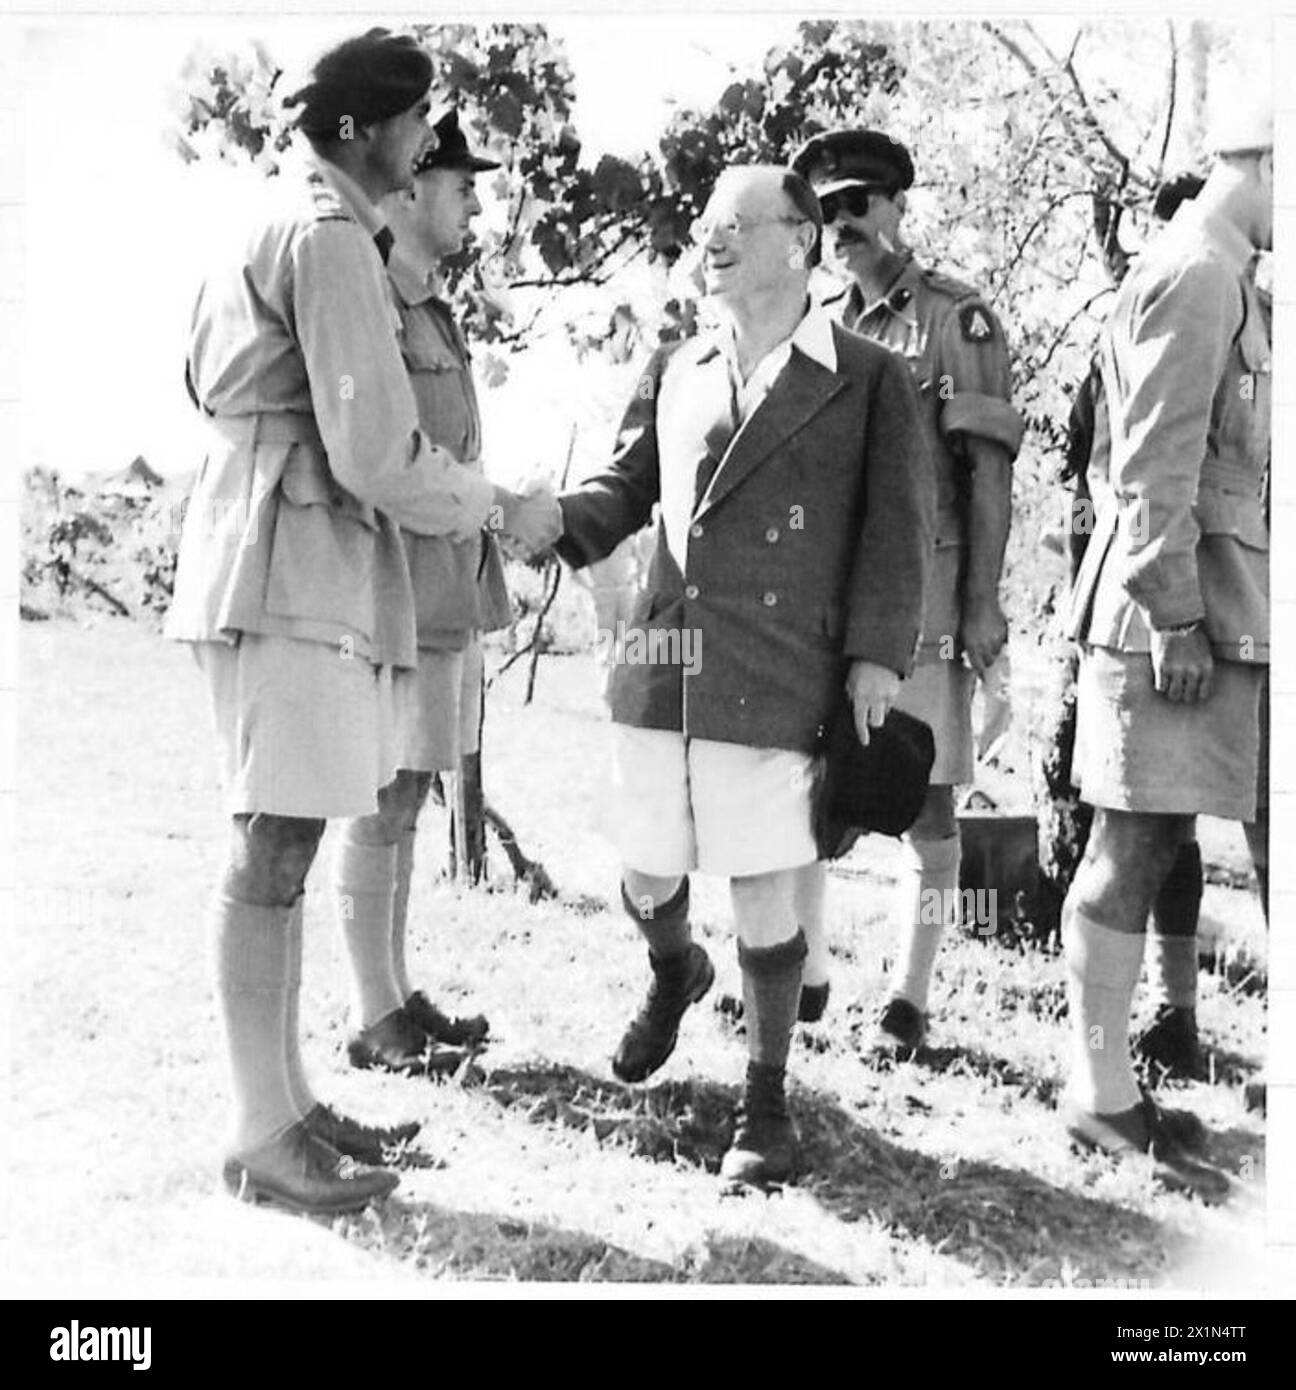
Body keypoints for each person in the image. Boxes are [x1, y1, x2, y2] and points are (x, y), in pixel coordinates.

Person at [166, 29, 560, 1213]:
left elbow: (206, 384)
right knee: (273, 842)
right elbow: (377, 452)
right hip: (293, 559)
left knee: (280, 841)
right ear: (365, 131)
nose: (425, 140)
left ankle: (284, 1105)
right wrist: (501, 506)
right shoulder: (331, 238)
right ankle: (260, 1126)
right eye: (415, 122)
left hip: (269, 547)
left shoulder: (271, 218)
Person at [548, 165, 933, 1187]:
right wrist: (544, 517)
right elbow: (624, 487)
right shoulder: (676, 363)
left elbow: (900, 534)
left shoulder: (871, 377)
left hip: (780, 667)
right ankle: (674, 968)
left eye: (733, 223)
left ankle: (765, 1103)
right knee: (644, 870)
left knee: (765, 883)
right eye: (704, 223)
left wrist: (875, 660)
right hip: (661, 656)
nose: (707, 237)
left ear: (800, 240)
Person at [1059, 96, 1272, 1198]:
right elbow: (1149, 469)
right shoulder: (1198, 271)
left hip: (1232, 614)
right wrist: (1175, 613)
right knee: (1133, 848)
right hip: (1177, 622)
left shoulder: (1231, 271)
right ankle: (1098, 1096)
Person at [790, 130, 1024, 1046]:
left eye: (857, 204)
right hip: (834, 596)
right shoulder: (816, 320)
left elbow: (989, 471)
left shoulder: (954, 321)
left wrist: (983, 601)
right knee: (813, 783)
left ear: (895, 208)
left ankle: (908, 1000)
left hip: (928, 593)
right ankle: (805, 973)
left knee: (925, 793)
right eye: (827, 211)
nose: (841, 223)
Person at [329, 109, 519, 1078]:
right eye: (459, 181)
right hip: (389, 590)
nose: (473, 197)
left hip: (442, 583)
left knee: (406, 795)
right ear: (409, 189)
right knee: (380, 796)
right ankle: (372, 1011)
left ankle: (395, 993)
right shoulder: (376, 302)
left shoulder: (433, 307)